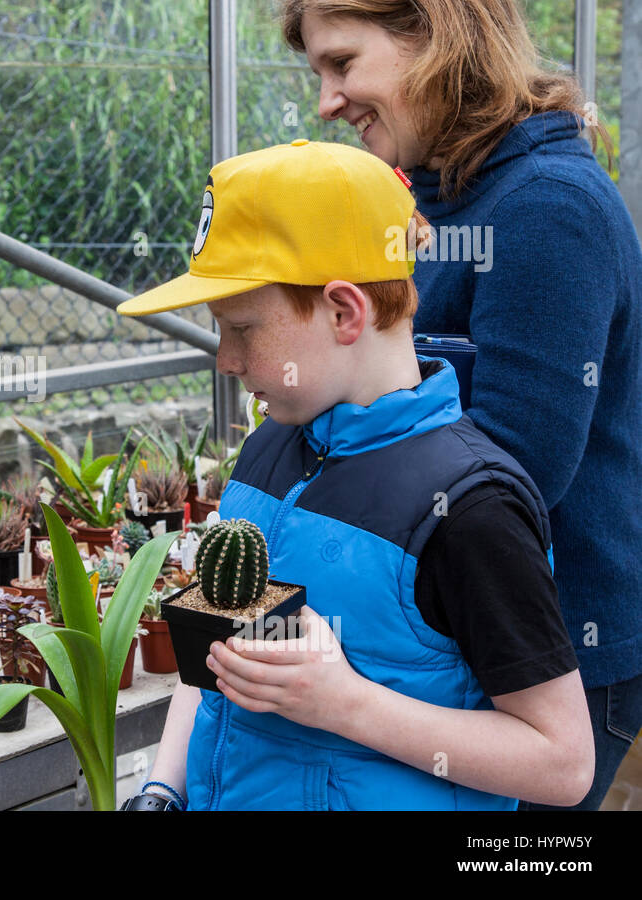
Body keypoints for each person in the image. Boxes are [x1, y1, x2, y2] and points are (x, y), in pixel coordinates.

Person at [116, 139, 593, 810]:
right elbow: (214, 654)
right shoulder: (267, 453)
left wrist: (348, 705)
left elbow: (563, 762)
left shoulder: (469, 506)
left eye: (243, 329)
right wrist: (164, 787)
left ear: (345, 312)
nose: (224, 359)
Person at [281, 0, 642, 810]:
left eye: (343, 62)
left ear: (435, 35)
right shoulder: (437, 196)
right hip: (455, 624)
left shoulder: (545, 210)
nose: (327, 100)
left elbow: (515, 467)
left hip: (552, 654)